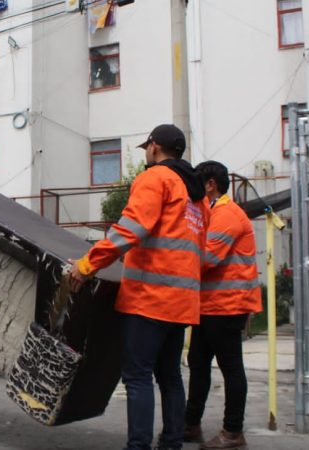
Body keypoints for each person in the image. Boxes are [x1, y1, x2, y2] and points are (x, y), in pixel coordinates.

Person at [68, 124, 209, 450]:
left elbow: (130, 230)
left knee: (138, 376)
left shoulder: (154, 179)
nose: (146, 153)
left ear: (155, 147)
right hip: (182, 301)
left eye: (147, 147)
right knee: (170, 376)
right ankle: (172, 442)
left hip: (149, 298)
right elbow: (198, 250)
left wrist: (87, 265)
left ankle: (138, 446)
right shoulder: (198, 198)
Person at [183, 161, 262, 450]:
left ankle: (233, 432)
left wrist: (174, 259)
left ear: (210, 184)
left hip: (228, 305)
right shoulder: (214, 212)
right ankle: (191, 425)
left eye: (195, 184)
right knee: (198, 363)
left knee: (230, 366)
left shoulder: (227, 214)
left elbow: (207, 259)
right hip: (209, 305)